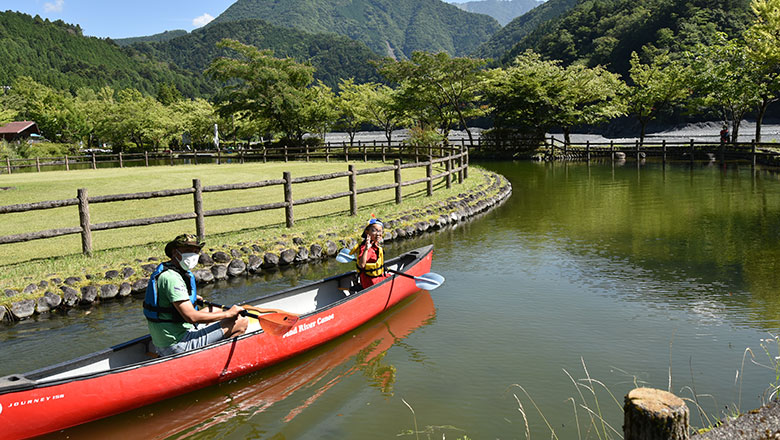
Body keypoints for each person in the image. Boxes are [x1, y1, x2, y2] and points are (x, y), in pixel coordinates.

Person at [143, 233, 248, 356]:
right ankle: (217, 359)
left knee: (213, 309)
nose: (193, 254)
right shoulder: (172, 279)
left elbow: (168, 300)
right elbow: (191, 317)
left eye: (196, 251)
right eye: (187, 250)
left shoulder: (169, 271)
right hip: (177, 345)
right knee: (241, 321)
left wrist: (189, 299)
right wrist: (228, 314)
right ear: (175, 252)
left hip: (165, 340)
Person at [349, 217, 389, 289]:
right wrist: (366, 249)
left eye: (380, 231)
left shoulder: (374, 243)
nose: (378, 234)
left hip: (376, 279)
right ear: (367, 232)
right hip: (371, 283)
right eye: (374, 231)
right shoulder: (366, 247)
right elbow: (361, 265)